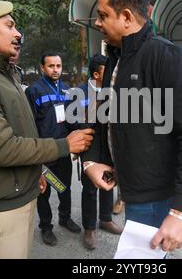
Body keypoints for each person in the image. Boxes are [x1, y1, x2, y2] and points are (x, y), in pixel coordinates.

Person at [0, 0, 94, 258]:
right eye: (9, 25)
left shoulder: (5, 73)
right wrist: (65, 145)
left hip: (19, 190)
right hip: (1, 203)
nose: (18, 33)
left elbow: (23, 131)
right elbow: (2, 148)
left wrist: (35, 171)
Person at [82, 0, 182, 253]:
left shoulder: (168, 57)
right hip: (130, 189)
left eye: (103, 15)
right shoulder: (115, 59)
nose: (97, 23)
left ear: (127, 17)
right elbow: (105, 116)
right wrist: (92, 160)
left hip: (156, 198)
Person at [25, 53, 82, 247]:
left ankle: (64, 219)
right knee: (44, 191)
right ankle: (46, 227)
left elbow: (72, 119)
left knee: (64, 187)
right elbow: (29, 124)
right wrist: (35, 155)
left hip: (64, 150)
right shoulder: (33, 91)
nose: (55, 69)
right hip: (45, 152)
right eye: (51, 66)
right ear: (42, 68)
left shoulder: (67, 89)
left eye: (58, 65)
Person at [77, 54, 123, 250]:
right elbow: (73, 122)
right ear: (96, 74)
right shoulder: (79, 93)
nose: (112, 75)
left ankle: (105, 219)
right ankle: (89, 228)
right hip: (89, 147)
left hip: (109, 147)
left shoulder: (114, 91)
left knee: (108, 184)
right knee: (89, 189)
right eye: (107, 72)